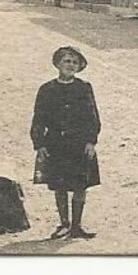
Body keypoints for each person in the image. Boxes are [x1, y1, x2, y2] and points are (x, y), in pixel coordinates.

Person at [30, 45, 101, 239]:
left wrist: (91, 141)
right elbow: (38, 119)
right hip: (56, 144)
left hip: (79, 144)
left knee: (80, 185)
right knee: (59, 185)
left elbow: (92, 116)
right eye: (67, 61)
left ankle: (77, 227)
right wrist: (40, 144)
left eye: (75, 62)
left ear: (79, 67)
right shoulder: (46, 90)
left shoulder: (84, 88)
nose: (70, 65)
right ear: (58, 64)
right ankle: (64, 224)